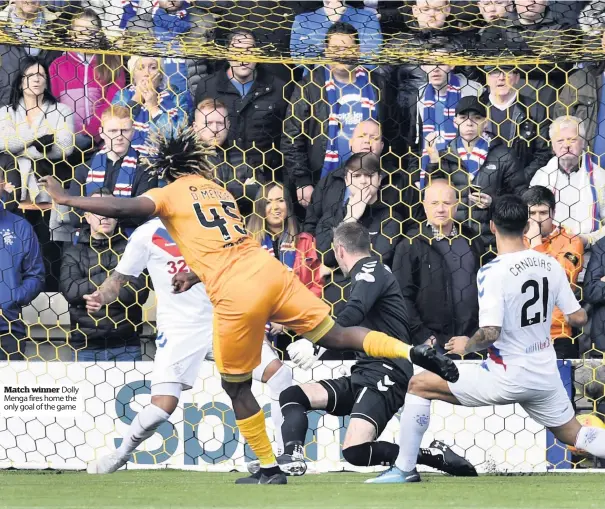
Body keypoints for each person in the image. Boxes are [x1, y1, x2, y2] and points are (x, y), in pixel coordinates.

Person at [40, 126, 458, 485]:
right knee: (335, 333)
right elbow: (225, 246)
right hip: (269, 270)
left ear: (164, 169)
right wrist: (196, 273)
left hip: (235, 297)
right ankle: (413, 351)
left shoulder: (168, 194)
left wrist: (67, 197)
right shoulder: (218, 192)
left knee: (236, 386)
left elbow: (120, 206)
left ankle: (268, 465)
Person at [367, 194, 605, 484]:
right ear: (526, 223)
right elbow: (578, 317)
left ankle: (404, 469)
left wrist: (466, 345)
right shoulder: (550, 265)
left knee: (418, 385)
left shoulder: (492, 271)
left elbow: (491, 332)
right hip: (545, 373)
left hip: (505, 375)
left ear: (492, 226)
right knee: (575, 432)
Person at [86, 214, 292, 473]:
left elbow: (241, 271)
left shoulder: (217, 225)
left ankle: (285, 458)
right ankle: (121, 453)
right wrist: (100, 296)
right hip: (179, 329)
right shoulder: (147, 233)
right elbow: (117, 281)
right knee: (162, 406)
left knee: (280, 375)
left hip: (225, 318)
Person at [273, 222, 476, 478]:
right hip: (365, 371)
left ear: (339, 251)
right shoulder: (371, 272)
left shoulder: (370, 270)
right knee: (293, 395)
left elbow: (354, 311)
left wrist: (315, 342)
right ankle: (292, 456)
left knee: (355, 451)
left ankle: (430, 457)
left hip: (388, 371)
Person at [282, 22, 392, 209]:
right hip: (323, 181)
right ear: (326, 50)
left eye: (348, 48)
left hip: (370, 183)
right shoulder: (309, 87)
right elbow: (292, 137)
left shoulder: (377, 85)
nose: (342, 54)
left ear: (357, 50)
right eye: (336, 48)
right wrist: (302, 181)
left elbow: (392, 132)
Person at [421, 96, 525, 250]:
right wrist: (434, 161)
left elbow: (520, 198)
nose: (469, 123)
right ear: (455, 121)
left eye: (476, 118)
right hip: (455, 242)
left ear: (486, 122)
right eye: (463, 117)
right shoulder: (445, 156)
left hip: (492, 243)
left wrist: (493, 203)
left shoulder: (504, 155)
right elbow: (434, 196)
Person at [393, 179, 483, 355]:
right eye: (434, 203)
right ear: (425, 206)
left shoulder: (472, 241)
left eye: (447, 203)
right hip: (432, 348)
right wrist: (426, 337)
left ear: (456, 206)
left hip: (470, 344)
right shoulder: (410, 245)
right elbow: (401, 296)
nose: (440, 209)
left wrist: (475, 338)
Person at [59, 188, 149, 361]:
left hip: (126, 345)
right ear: (87, 217)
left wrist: (90, 283)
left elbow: (138, 293)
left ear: (117, 216)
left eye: (109, 211)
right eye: (99, 211)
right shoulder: (73, 251)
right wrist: (116, 278)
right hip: (85, 346)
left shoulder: (132, 248)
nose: (105, 217)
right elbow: (70, 291)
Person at [193, 29, 291, 175]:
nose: (243, 58)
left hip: (266, 178)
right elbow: (198, 135)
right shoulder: (207, 87)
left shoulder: (279, 88)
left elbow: (289, 137)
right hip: (219, 175)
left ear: (257, 54)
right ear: (226, 54)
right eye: (237, 51)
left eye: (249, 51)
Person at [68, 106, 158, 232]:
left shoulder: (146, 170)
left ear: (132, 132)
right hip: (89, 244)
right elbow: (75, 217)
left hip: (129, 242)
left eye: (124, 130)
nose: (119, 136)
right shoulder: (83, 170)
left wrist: (99, 218)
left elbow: (140, 216)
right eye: (113, 131)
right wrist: (115, 216)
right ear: (102, 132)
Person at [49, 7, 126, 149]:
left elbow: (114, 101)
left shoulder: (112, 62)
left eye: (91, 31)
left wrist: (91, 132)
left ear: (99, 34)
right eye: (80, 31)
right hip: (66, 142)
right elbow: (53, 104)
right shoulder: (57, 65)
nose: (86, 36)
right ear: (72, 34)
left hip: (104, 140)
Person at [522, 186, 584, 359]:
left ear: (554, 212)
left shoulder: (571, 241)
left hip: (559, 335)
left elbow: (559, 281)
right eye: (532, 213)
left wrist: (535, 244)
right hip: (521, 336)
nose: (537, 219)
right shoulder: (516, 241)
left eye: (543, 213)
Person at [530, 115, 605, 248]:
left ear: (583, 143)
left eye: (572, 140)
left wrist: (588, 240)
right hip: (549, 251)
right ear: (552, 146)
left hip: (590, 254)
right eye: (560, 141)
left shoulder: (600, 177)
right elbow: (531, 220)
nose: (566, 145)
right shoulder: (541, 177)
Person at [193, 97, 270, 218]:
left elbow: (261, 194)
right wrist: (242, 191)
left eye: (220, 123)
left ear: (228, 125)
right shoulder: (188, 161)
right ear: (195, 127)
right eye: (208, 123)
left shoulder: (243, 158)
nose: (215, 129)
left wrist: (221, 191)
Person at [0, 171, 44, 360]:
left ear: (2, 185)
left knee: (8, 388)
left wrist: (12, 297)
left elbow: (36, 275)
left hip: (9, 329)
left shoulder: (20, 226)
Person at [480, 65, 550, 184]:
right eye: (495, 72)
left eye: (507, 71)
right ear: (486, 77)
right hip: (484, 187)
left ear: (517, 77)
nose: (501, 77)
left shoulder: (535, 109)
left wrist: (519, 181)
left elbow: (543, 153)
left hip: (522, 188)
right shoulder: (476, 108)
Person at [112, 56, 191, 156]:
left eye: (153, 68)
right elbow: (114, 129)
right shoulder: (123, 96)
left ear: (161, 75)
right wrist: (137, 97)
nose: (147, 73)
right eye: (141, 68)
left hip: (162, 161)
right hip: (125, 160)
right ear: (133, 74)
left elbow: (178, 135)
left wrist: (153, 107)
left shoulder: (175, 97)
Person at [290, 0, 382, 60]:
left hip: (357, 83)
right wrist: (329, 23)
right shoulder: (302, 20)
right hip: (316, 85)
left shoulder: (367, 18)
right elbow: (299, 61)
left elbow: (371, 59)